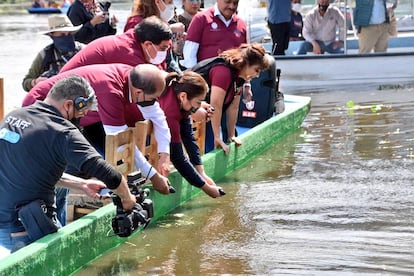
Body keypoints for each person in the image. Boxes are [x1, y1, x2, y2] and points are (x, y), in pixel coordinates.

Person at [0, 76, 136, 256]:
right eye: (81, 114)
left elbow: (34, 173)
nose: (82, 119)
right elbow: (109, 174)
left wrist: (81, 184)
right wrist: (128, 200)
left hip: (5, 224)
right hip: (26, 228)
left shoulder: (14, 116)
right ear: (69, 105)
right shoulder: (63, 131)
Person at [23, 63, 174, 183]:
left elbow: (157, 115)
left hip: (74, 117)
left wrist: (164, 153)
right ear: (139, 93)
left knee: (69, 167)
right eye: (153, 98)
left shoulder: (133, 77)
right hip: (40, 106)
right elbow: (120, 141)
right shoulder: (111, 92)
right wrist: (153, 177)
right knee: (57, 170)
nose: (154, 102)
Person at [190, 43, 270, 155]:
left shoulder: (241, 77)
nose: (257, 75)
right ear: (246, 63)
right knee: (209, 148)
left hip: (207, 113)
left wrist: (231, 135)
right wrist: (217, 137)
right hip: (190, 107)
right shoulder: (223, 72)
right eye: (256, 70)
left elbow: (233, 107)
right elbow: (216, 105)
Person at [158, 70, 225, 198]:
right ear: (183, 96)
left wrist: (201, 173)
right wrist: (206, 188)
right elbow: (177, 158)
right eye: (198, 103)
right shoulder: (170, 111)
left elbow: (188, 136)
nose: (199, 107)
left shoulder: (180, 101)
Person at [60, 15, 172, 72]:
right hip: (64, 94)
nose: (164, 53)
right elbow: (147, 86)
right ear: (148, 44)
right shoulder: (127, 52)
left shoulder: (135, 41)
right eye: (163, 48)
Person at [22, 14, 83, 92]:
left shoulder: (83, 50)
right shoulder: (45, 55)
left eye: (69, 34)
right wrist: (35, 82)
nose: (67, 37)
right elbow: (26, 82)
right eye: (62, 34)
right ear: (51, 35)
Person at [181, 0, 247, 69]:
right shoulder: (201, 19)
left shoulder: (241, 24)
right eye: (228, 2)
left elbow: (245, 55)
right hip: (205, 76)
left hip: (234, 76)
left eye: (235, 3)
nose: (231, 6)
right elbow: (190, 53)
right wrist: (193, 75)